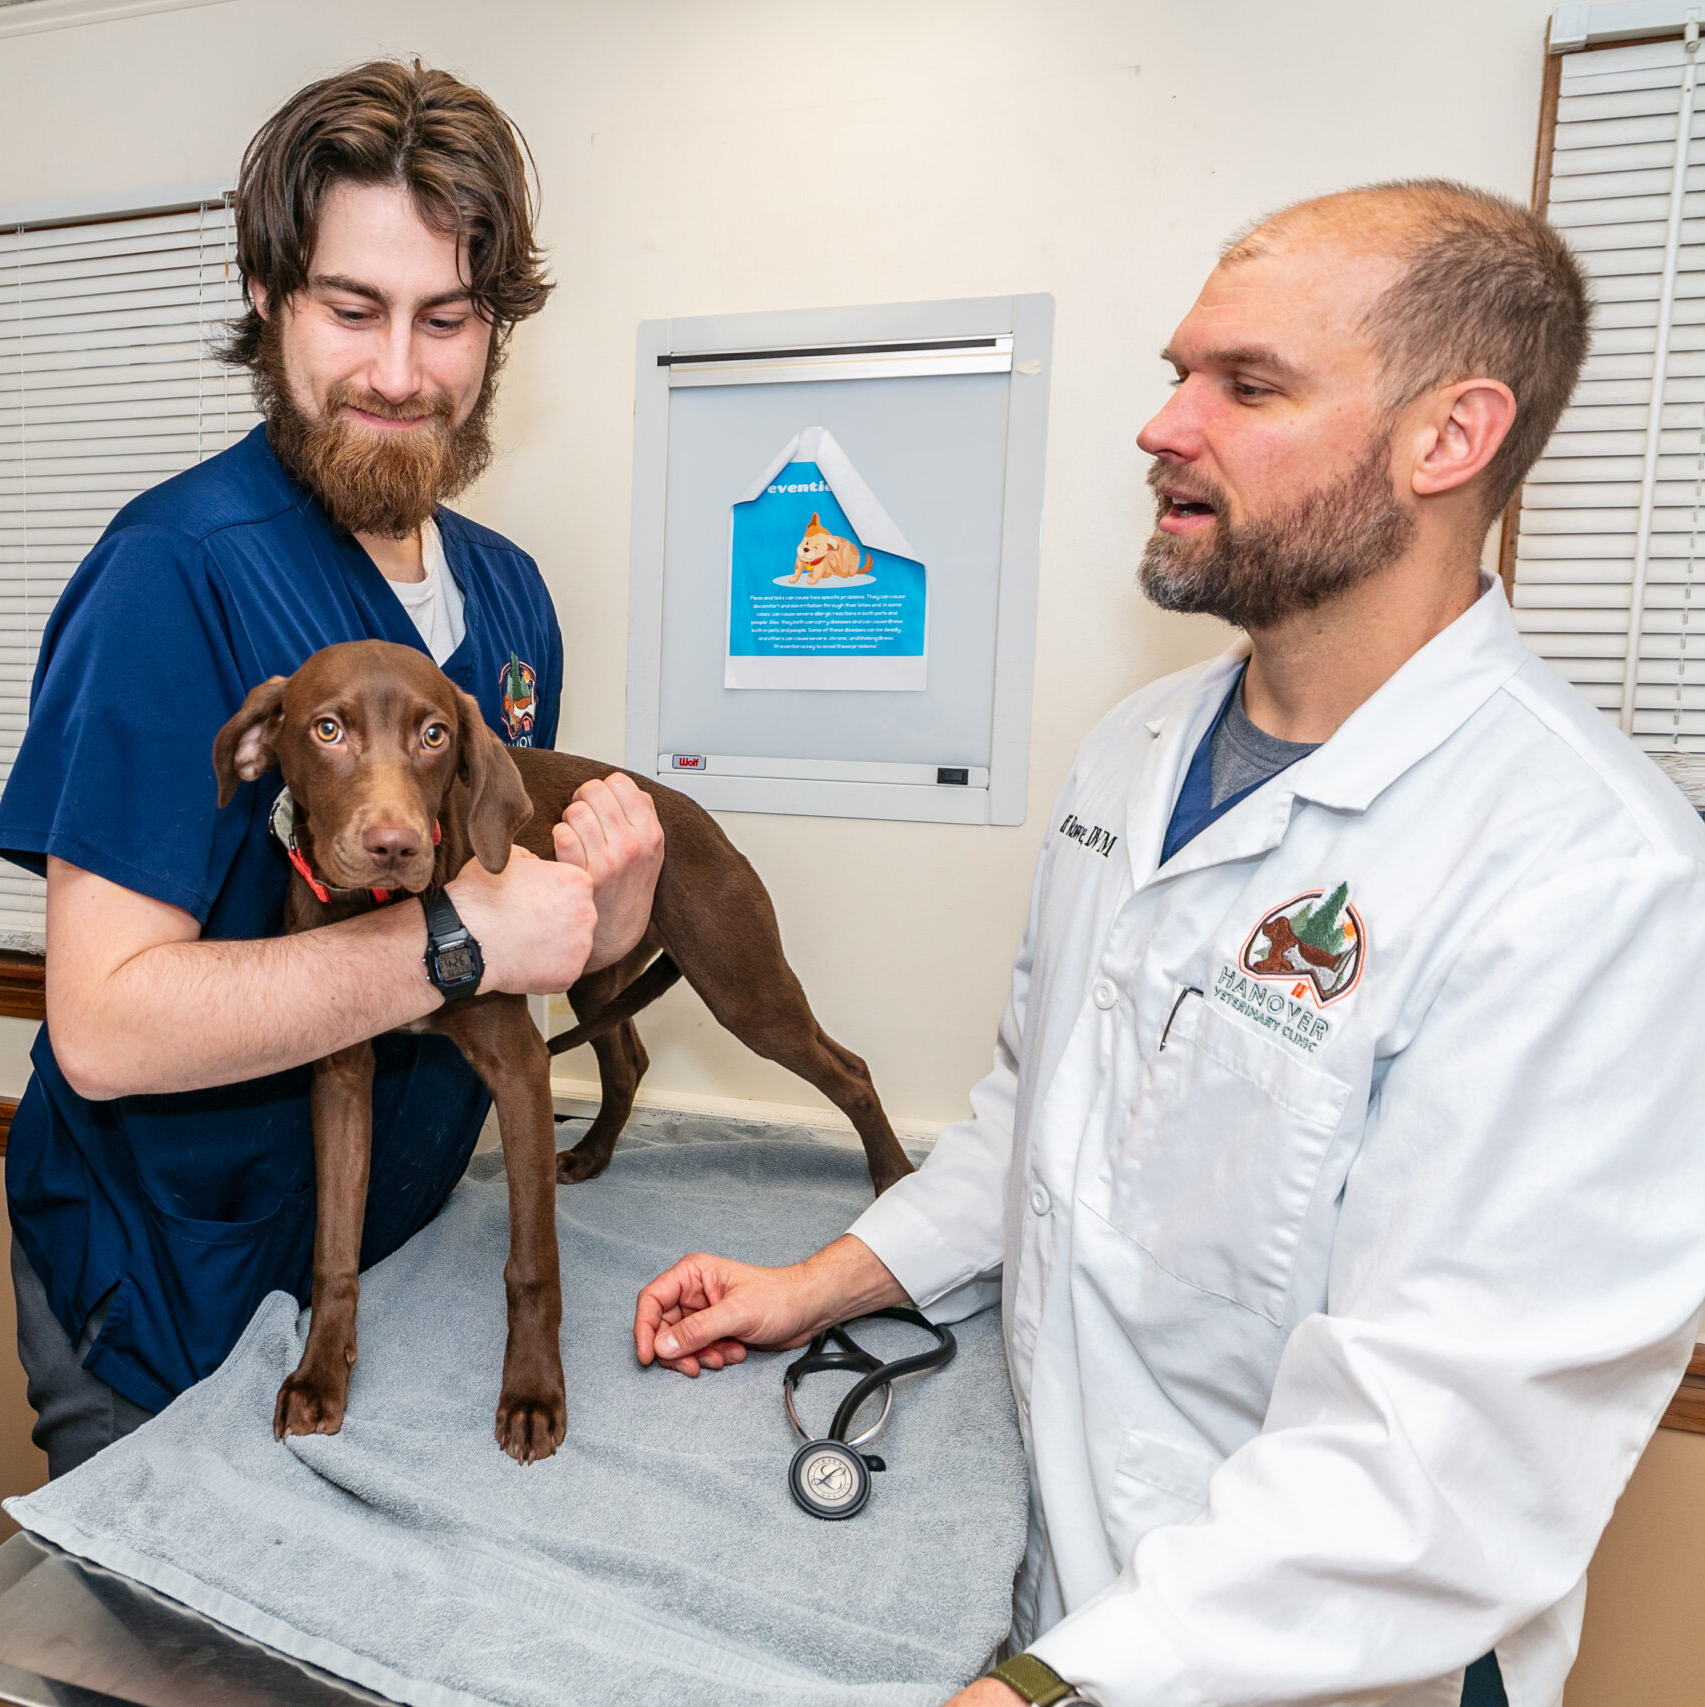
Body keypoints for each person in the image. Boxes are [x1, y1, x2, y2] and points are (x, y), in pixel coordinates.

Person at [634, 181, 1705, 1707]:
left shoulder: (1596, 880)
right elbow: (1042, 1118)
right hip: (1059, 1580)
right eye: (1179, 370)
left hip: (1296, 1663)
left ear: (1450, 438)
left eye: (1247, 385)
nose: (1163, 424)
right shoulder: (1135, 755)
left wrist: (1053, 1687)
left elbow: (1434, 1470)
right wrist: (829, 1281)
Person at [0, 60, 664, 1475]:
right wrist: (461, 943)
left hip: (393, 1269)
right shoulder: (168, 579)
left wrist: (606, 911)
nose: (401, 372)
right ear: (268, 301)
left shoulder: (511, 596)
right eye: (352, 310)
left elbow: (503, 919)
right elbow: (106, 1031)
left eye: (448, 319)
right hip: (176, 1301)